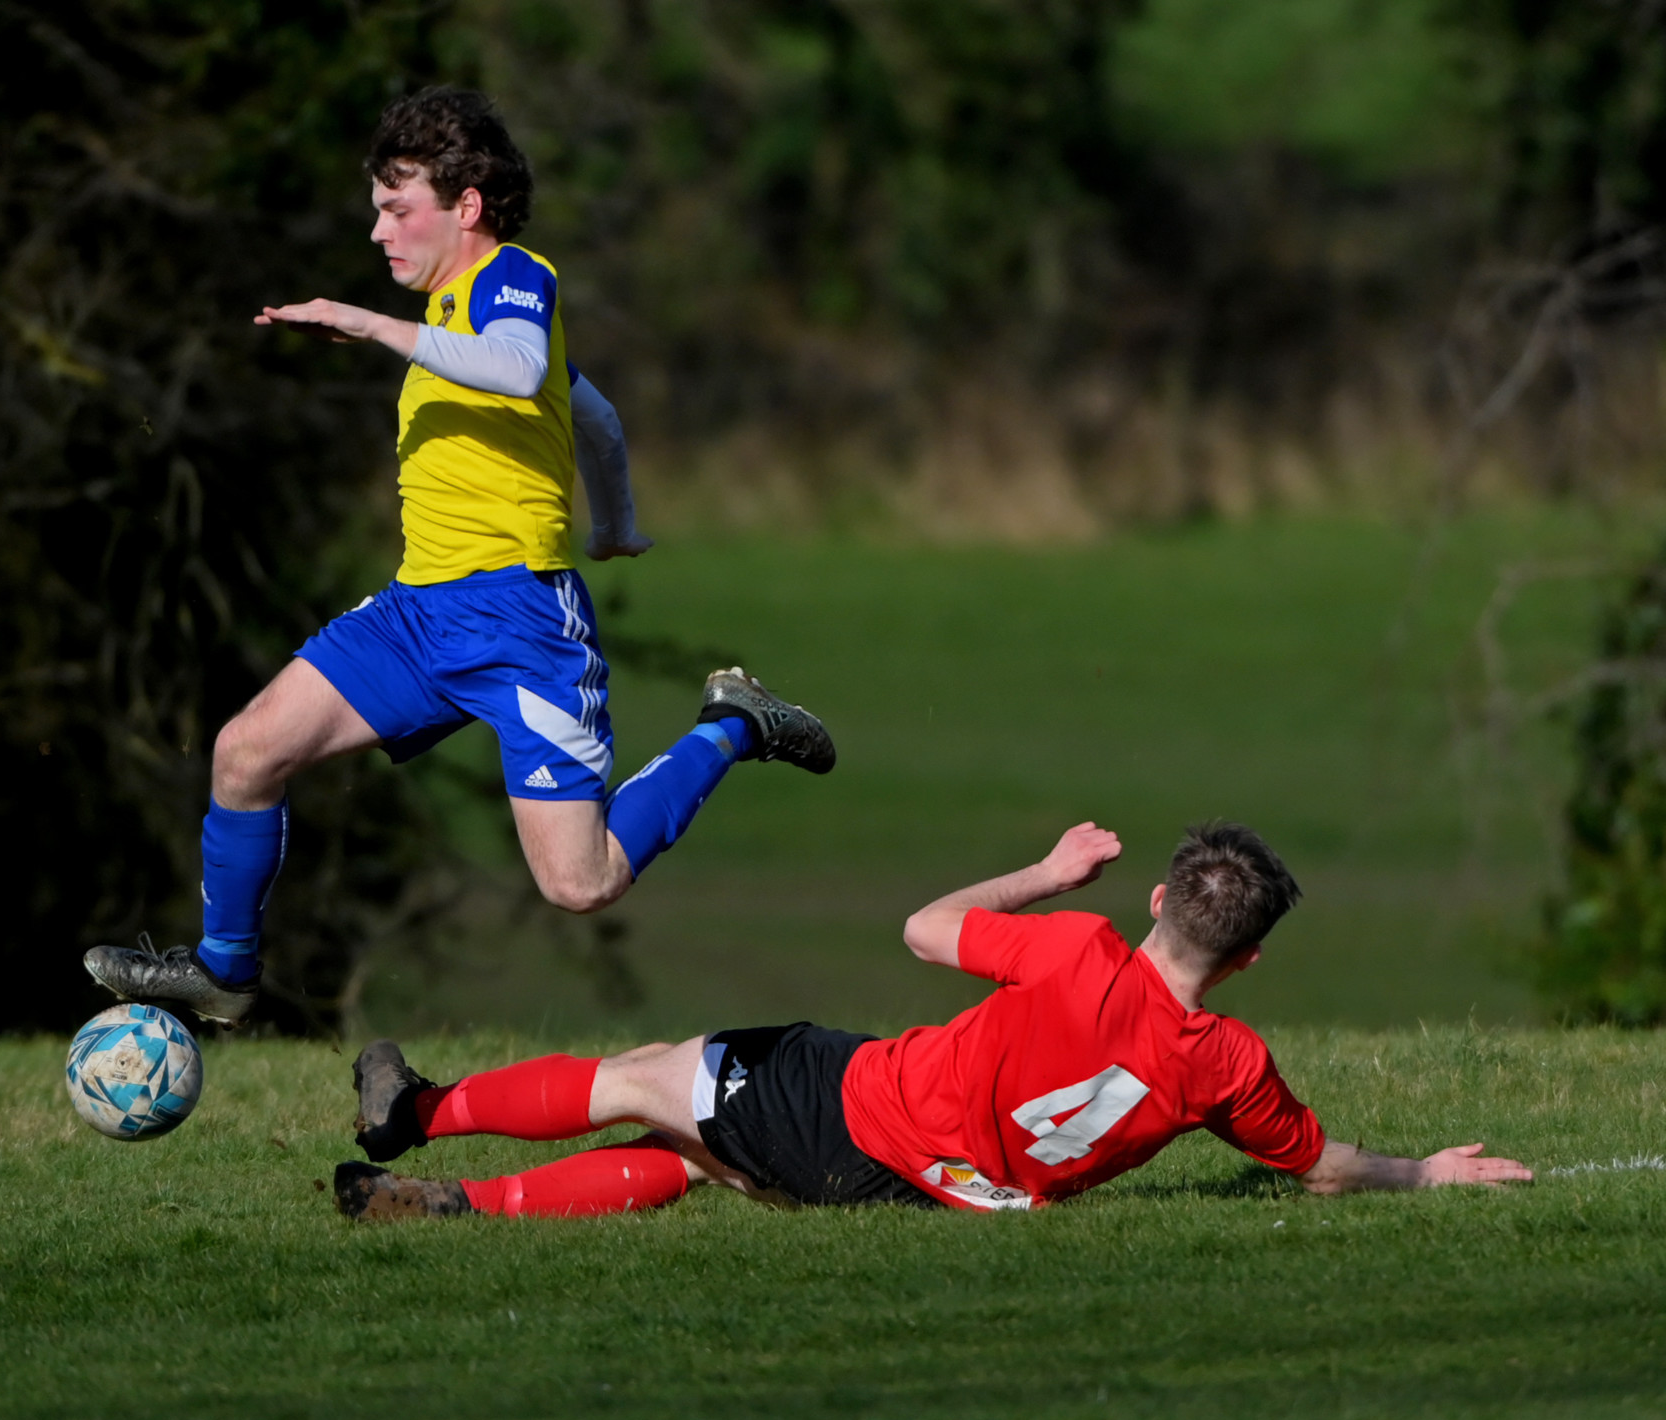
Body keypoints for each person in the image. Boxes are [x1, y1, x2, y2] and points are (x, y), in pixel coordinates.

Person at [82, 88, 834, 1024]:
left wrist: (369, 326)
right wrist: (616, 522)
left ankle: (735, 723)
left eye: (397, 207)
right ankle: (225, 973)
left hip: (521, 624)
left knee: (582, 881)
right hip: (415, 615)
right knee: (243, 753)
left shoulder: (513, 277)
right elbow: (591, 415)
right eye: (377, 207)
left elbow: (522, 367)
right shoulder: (447, 312)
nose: (377, 229)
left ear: (465, 206)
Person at [332, 820, 1533, 1220]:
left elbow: (923, 927)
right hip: (931, 1180)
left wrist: (1051, 872)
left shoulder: (1077, 948)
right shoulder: (1227, 1063)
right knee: (688, 1155)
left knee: (652, 1075)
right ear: (1252, 955)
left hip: (861, 1114)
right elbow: (1323, 1167)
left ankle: (419, 1117)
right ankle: (447, 1207)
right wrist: (1427, 1170)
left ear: (1159, 897)